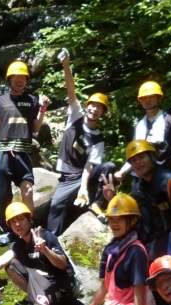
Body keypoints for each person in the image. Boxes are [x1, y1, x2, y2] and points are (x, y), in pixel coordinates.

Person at [104, 139, 171, 305]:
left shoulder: (167, 181)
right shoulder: (137, 186)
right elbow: (131, 217)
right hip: (150, 250)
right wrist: (113, 197)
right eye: (134, 160)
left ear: (152, 157)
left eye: (142, 158)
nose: (138, 162)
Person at [0, 61, 51, 232]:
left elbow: (35, 128)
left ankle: (30, 226)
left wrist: (42, 110)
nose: (20, 80)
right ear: (9, 79)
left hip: (23, 151)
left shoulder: (32, 100)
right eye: (16, 77)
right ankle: (5, 230)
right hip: (4, 152)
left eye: (23, 77)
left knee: (27, 190)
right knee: (4, 195)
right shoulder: (0, 101)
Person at [46, 48, 108, 236]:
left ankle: (98, 205)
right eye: (92, 105)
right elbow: (70, 89)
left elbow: (91, 165)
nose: (95, 109)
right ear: (87, 106)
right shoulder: (76, 117)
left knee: (108, 166)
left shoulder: (98, 139)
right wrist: (66, 65)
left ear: (103, 113)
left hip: (81, 175)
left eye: (99, 108)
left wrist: (83, 188)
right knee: (56, 206)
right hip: (65, 176)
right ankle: (50, 241)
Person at [114, 81, 171, 180]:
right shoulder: (139, 126)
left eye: (151, 97)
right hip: (140, 178)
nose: (147, 100)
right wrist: (123, 171)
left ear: (159, 98)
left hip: (162, 176)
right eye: (144, 98)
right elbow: (134, 154)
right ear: (140, 101)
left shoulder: (170, 121)